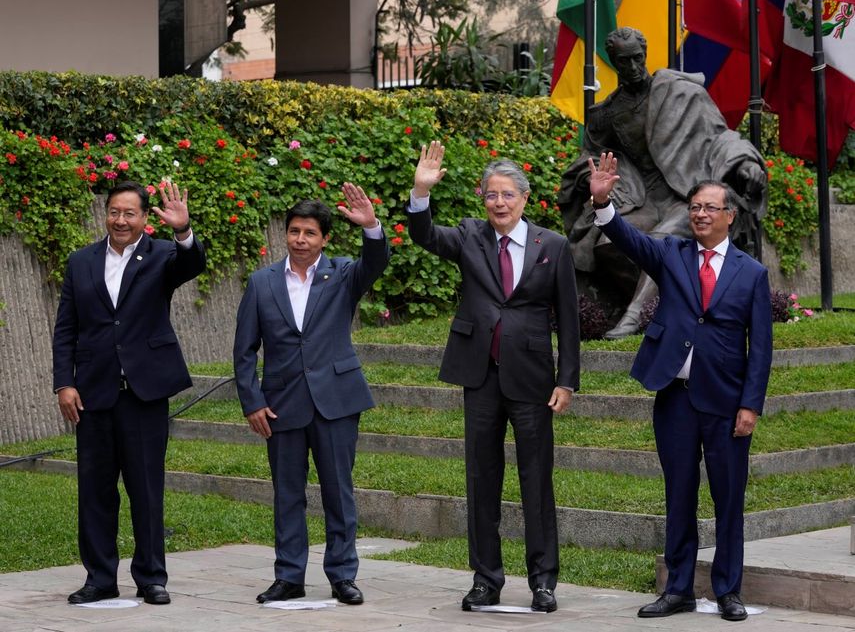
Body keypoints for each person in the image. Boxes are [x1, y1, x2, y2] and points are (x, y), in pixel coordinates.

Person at [589, 152, 772, 622]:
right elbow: (627, 239)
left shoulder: (750, 273)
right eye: (694, 207)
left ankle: (729, 590)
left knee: (728, 499)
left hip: (727, 402)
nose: (700, 214)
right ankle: (679, 589)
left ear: (729, 216)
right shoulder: (672, 254)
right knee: (680, 494)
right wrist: (603, 203)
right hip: (675, 397)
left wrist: (750, 405)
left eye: (710, 208)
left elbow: (761, 348)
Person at [406, 141, 580, 613]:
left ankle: (543, 581)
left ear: (525, 199)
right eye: (491, 195)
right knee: (482, 479)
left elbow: (568, 318)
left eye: (507, 195)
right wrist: (420, 192)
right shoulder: (468, 236)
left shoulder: (554, 246)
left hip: (533, 380)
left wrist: (566, 381)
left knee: (535, 481)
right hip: (479, 375)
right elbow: (424, 235)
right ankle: (486, 579)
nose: (498, 203)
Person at [233, 185, 389, 606]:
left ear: (324, 239)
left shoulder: (341, 274)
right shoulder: (261, 283)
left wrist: (371, 225)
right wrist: (252, 402)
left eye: (310, 233)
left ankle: (342, 575)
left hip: (337, 399)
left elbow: (375, 262)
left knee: (339, 490)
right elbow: (244, 350)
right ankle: (289, 576)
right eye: (294, 231)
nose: (300, 239)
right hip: (281, 405)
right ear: (285, 234)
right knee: (287, 493)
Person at [558, 26, 767, 339]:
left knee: (660, 242)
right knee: (605, 245)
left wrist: (746, 163)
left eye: (637, 58)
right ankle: (678, 298)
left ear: (645, 55)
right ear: (613, 62)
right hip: (643, 197)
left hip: (688, 196)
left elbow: (720, 136)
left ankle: (634, 316)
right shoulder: (607, 114)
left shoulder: (680, 91)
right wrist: (592, 176)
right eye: (623, 61)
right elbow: (589, 156)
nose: (632, 67)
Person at [53, 181, 206, 605]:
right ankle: (100, 577)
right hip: (93, 393)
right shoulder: (81, 261)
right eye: (114, 212)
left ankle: (151, 577)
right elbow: (66, 327)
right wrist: (64, 382)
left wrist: (183, 230)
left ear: (143, 218)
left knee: (145, 488)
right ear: (106, 214)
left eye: (130, 214)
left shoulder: (161, 255)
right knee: (95, 491)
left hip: (144, 393)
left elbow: (191, 263)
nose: (121, 220)